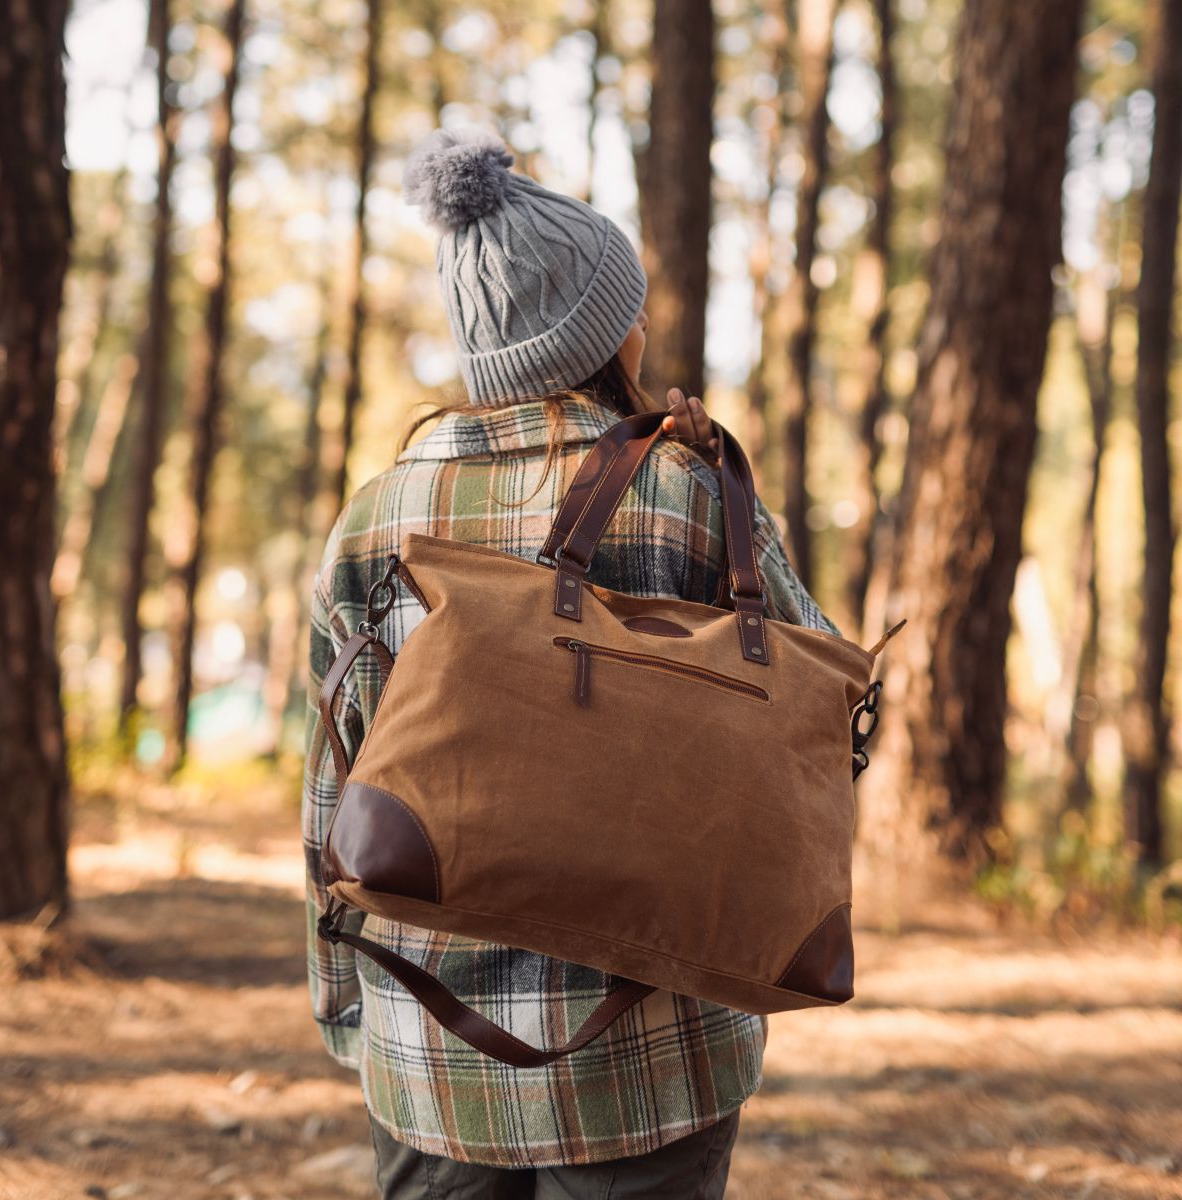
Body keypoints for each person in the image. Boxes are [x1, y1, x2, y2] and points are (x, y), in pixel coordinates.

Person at [301, 125, 839, 1199]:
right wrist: (729, 489)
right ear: (604, 333)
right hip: (651, 1051)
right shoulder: (686, 491)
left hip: (430, 1040)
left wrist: (345, 1005)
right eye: (628, 303)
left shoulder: (376, 520)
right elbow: (816, 730)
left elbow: (333, 796)